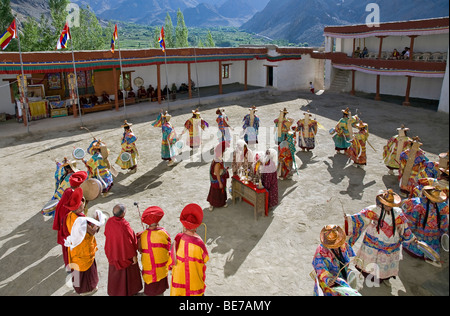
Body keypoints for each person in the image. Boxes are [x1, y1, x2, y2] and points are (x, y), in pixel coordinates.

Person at [344, 189, 417, 283]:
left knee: (386, 261)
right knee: (371, 260)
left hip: (391, 243)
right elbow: (360, 218)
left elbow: (404, 227)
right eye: (386, 204)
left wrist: (411, 237)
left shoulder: (398, 213)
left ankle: (384, 277)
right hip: (373, 240)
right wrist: (350, 218)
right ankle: (371, 276)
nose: (388, 207)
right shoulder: (374, 210)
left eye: (390, 205)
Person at [62, 188, 100, 295]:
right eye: (82, 204)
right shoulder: (81, 220)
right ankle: (88, 289)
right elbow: (92, 232)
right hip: (84, 250)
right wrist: (98, 221)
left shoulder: (70, 215)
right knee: (87, 272)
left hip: (75, 248)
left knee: (77, 270)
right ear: (78, 208)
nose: (84, 204)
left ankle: (78, 288)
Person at [402, 185, 449, 266]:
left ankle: (421, 253)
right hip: (434, 232)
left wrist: (410, 230)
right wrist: (445, 230)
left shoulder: (419, 204)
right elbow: (444, 222)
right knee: (432, 245)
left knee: (416, 244)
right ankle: (430, 256)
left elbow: (413, 219)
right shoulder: (442, 206)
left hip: (420, 231)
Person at [169, 203, 209, 296]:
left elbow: (172, 257)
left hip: (180, 278)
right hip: (194, 278)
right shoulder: (199, 242)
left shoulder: (178, 237)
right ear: (196, 227)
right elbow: (205, 258)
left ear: (184, 225)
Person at [104, 204, 143, 296]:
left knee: (116, 274)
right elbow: (130, 242)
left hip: (113, 252)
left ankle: (116, 292)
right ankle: (130, 292)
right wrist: (134, 255)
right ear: (123, 214)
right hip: (126, 255)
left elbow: (106, 234)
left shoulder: (109, 221)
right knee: (129, 273)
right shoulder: (124, 225)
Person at [53, 171, 88, 270]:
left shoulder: (67, 191)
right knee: (72, 247)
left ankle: (68, 265)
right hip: (70, 225)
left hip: (64, 223)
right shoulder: (74, 195)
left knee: (66, 247)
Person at [311, 225, 360, 296]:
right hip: (329, 281)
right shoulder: (320, 251)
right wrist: (327, 279)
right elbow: (320, 268)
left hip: (341, 274)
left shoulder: (342, 243)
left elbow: (347, 254)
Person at [138, 206, 171, 296]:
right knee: (160, 286)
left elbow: (140, 249)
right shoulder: (163, 233)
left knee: (150, 287)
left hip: (149, 265)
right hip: (161, 265)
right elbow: (168, 245)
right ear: (158, 222)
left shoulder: (143, 235)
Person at [207, 141, 230, 211]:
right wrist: (220, 182)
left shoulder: (217, 158)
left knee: (215, 191)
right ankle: (213, 204)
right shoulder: (217, 162)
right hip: (217, 179)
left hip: (218, 178)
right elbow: (217, 172)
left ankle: (219, 203)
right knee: (216, 192)